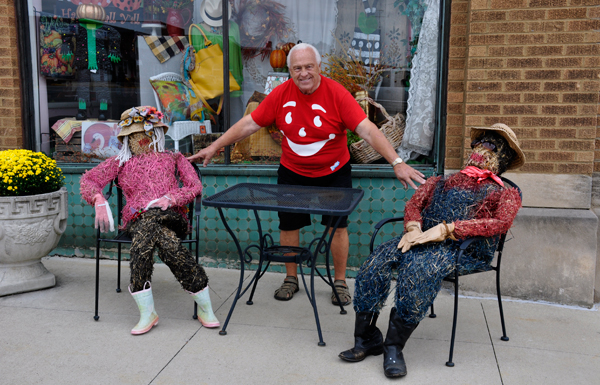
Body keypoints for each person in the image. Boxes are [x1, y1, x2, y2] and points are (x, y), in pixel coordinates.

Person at [188, 43, 426, 306]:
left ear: (319, 67)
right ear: (289, 71)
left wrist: (397, 161)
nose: (303, 73)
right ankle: (291, 279)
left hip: (334, 171)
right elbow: (249, 124)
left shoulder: (336, 94)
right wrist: (214, 146)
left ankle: (339, 282)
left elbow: (367, 130)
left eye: (308, 67)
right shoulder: (280, 95)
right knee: (289, 224)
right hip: (293, 171)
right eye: (297, 68)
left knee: (337, 227)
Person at [338, 123, 525, 378]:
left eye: (490, 144)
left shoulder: (505, 192)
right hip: (421, 240)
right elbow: (414, 203)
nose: (480, 148)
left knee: (420, 268)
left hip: (463, 249)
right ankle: (366, 338)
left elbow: (499, 223)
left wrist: (449, 229)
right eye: (478, 143)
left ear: (502, 154)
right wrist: (413, 227)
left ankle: (394, 346)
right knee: (376, 262)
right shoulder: (440, 182)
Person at [80, 106, 220, 335]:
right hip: (139, 219)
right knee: (164, 241)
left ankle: (148, 313)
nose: (142, 139)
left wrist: (170, 197)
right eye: (135, 135)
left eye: (146, 133)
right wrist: (97, 199)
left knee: (151, 224)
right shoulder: (120, 162)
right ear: (127, 138)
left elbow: (195, 186)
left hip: (173, 217)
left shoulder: (175, 158)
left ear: (157, 135)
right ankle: (203, 306)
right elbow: (89, 179)